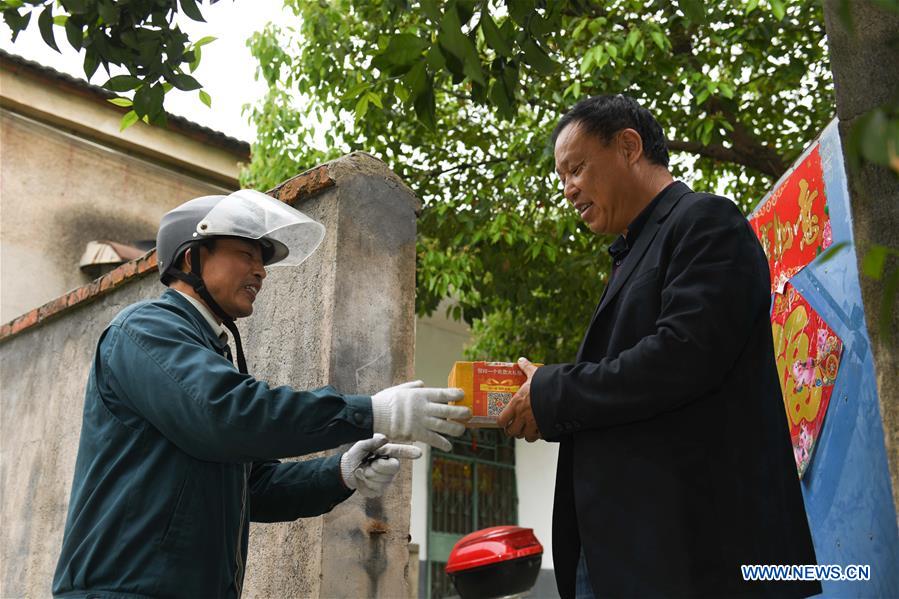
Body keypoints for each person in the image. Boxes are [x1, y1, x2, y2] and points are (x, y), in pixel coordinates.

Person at [52, 190, 470, 598]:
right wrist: (373, 411)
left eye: (262, 261)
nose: (261, 271)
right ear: (191, 256)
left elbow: (254, 486)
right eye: (246, 254)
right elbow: (225, 413)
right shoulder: (146, 329)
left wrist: (343, 471)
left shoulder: (207, 348)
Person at [498, 95, 821, 598]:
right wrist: (546, 394)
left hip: (700, 559)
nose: (569, 189)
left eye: (577, 168)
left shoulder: (705, 222)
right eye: (562, 177)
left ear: (629, 146)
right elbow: (631, 388)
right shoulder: (633, 251)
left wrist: (554, 391)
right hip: (628, 555)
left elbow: (680, 359)